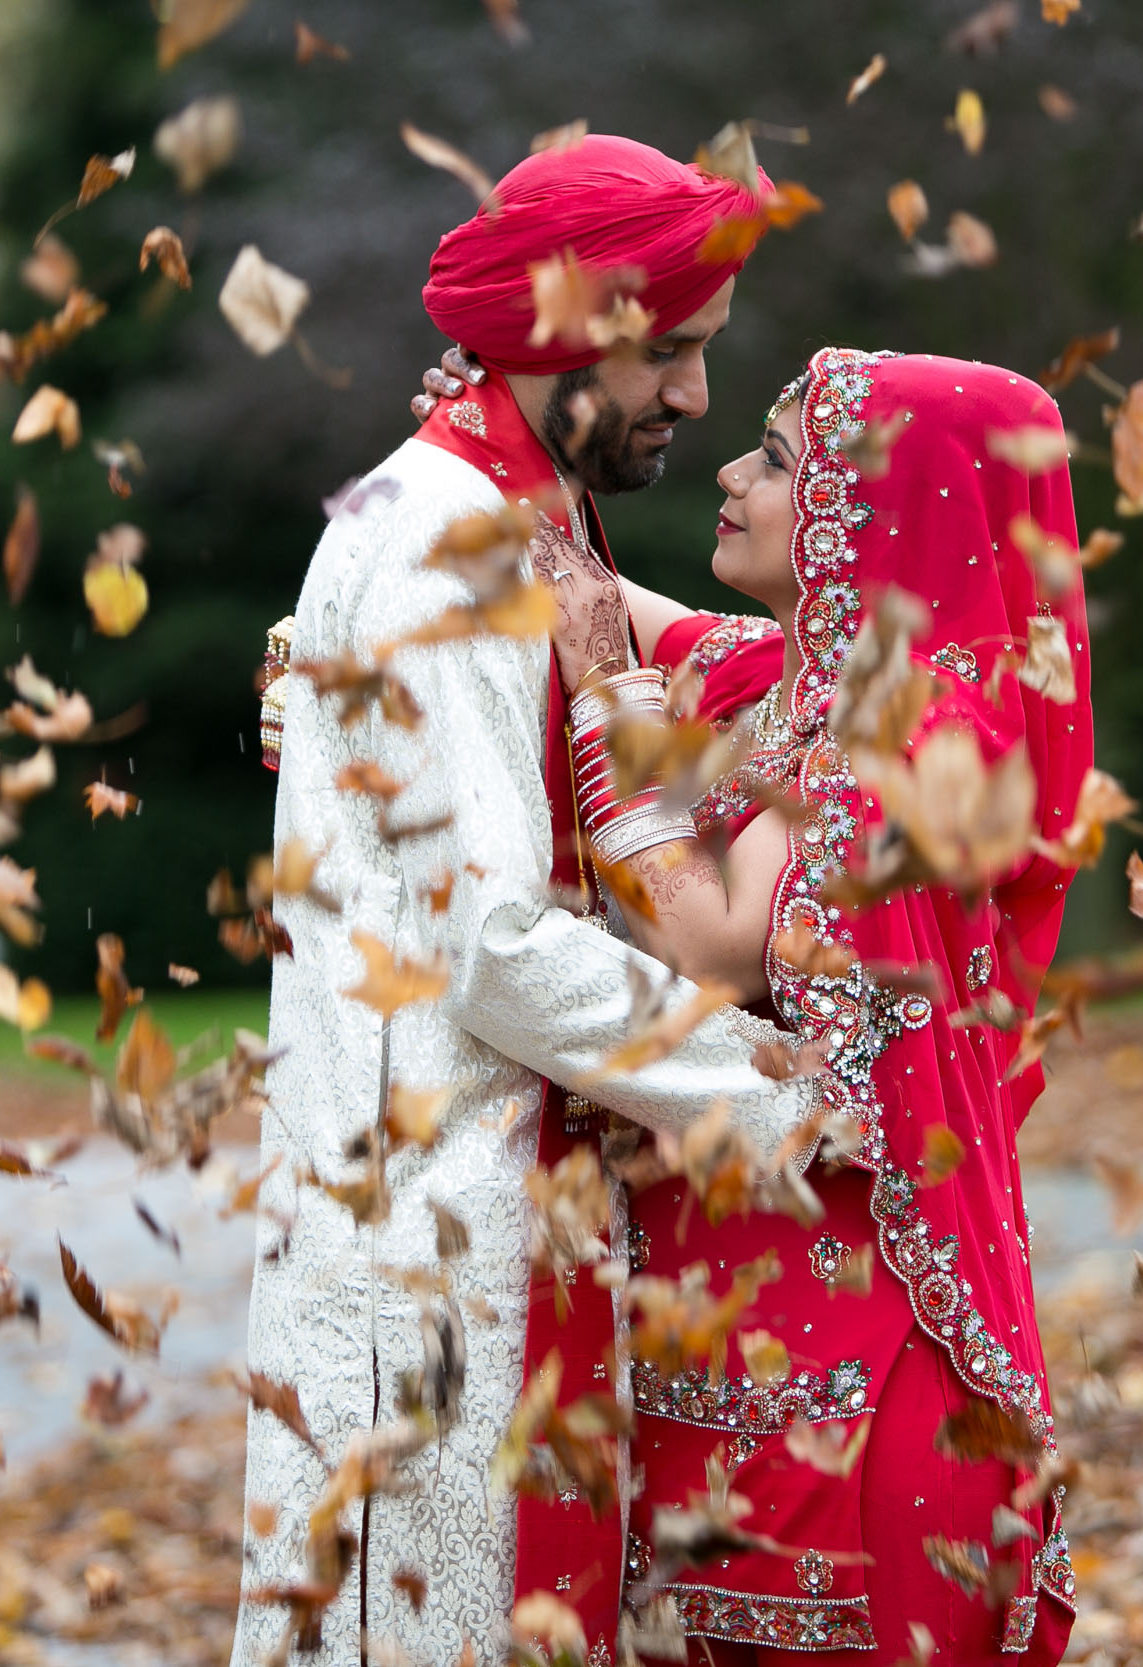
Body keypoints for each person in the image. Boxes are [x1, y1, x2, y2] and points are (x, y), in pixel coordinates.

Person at [234, 137, 828, 1667]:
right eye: (674, 355)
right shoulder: (447, 541)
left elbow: (652, 687)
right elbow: (491, 945)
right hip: (430, 1245)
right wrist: (777, 1092)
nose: (695, 397)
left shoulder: (517, 514)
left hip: (480, 1204)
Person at [534, 348, 1092, 1664]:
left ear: (881, 512)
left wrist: (608, 692)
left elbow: (715, 945)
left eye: (779, 460)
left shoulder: (908, 732)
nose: (730, 472)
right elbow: (608, 604)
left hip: (860, 1394)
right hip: (740, 1366)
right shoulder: (789, 684)